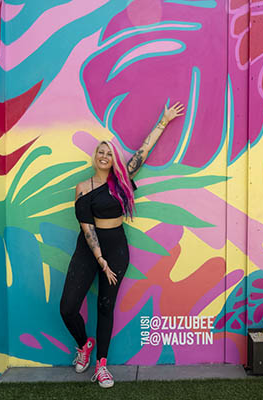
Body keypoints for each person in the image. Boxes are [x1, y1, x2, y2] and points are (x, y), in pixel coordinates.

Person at [60, 102, 185, 388]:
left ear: (113, 158)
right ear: (94, 157)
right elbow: (87, 227)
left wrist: (163, 121)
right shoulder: (83, 187)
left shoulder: (121, 181)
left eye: (108, 152)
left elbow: (144, 150)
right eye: (100, 152)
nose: (104, 156)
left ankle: (102, 365)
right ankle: (84, 346)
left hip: (117, 249)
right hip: (89, 251)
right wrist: (99, 260)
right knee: (67, 307)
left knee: (106, 306)